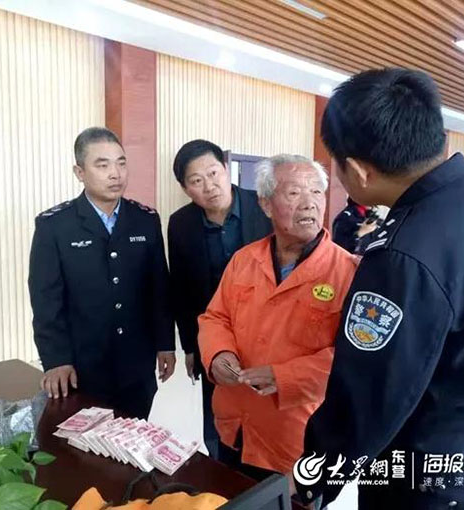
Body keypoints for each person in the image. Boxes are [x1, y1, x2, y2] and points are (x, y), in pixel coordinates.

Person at [292, 69, 464, 510]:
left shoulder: (401, 255)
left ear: (359, 170)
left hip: (436, 486)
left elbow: (367, 397)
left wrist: (314, 478)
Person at [198, 154, 357, 480]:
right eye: (295, 192)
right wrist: (218, 354)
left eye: (316, 192)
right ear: (266, 204)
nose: (310, 203)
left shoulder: (348, 272)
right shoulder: (244, 260)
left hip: (297, 441)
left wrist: (285, 377)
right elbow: (215, 316)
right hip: (234, 427)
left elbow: (355, 358)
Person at [28, 127, 175, 419]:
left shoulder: (145, 220)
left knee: (132, 434)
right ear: (79, 172)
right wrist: (56, 360)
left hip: (136, 363)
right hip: (82, 365)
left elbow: (159, 288)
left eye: (121, 163)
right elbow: (46, 299)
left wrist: (165, 344)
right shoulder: (55, 225)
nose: (115, 174)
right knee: (83, 442)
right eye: (102, 165)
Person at [167, 139, 271, 457]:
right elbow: (181, 290)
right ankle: (222, 467)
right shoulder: (181, 224)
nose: (209, 186)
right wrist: (190, 347)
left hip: (266, 333)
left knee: (266, 413)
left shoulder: (265, 205)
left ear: (226, 169)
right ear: (186, 189)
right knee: (217, 416)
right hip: (214, 339)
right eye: (197, 181)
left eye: (213, 173)